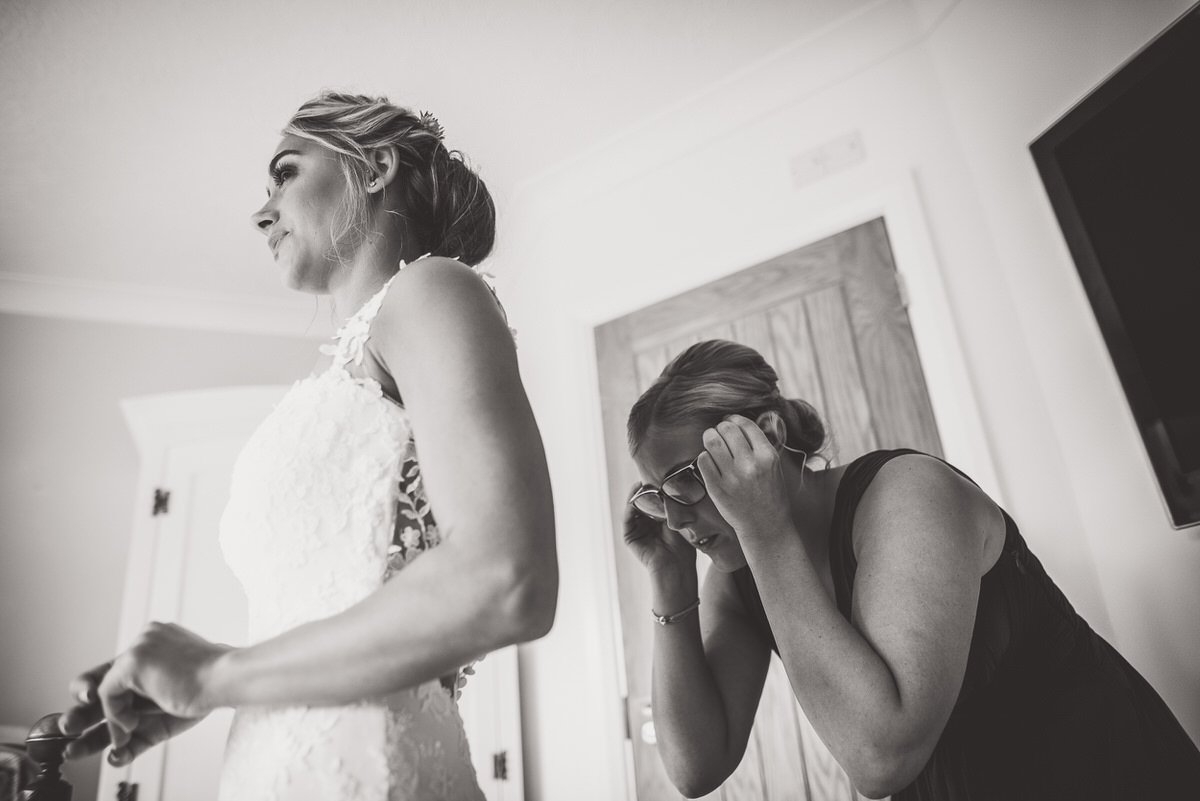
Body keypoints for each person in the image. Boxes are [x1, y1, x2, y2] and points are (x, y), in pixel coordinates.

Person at [57, 91, 558, 800]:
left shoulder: (432, 290)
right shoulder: (345, 369)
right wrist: (220, 679)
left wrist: (215, 674)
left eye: (285, 172)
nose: (262, 211)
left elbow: (506, 580)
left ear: (376, 166)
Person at [623, 338, 1200, 800]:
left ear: (767, 436)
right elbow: (694, 768)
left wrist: (766, 530)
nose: (673, 518)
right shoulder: (741, 568)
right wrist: (667, 579)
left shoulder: (907, 493)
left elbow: (881, 758)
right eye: (655, 495)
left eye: (687, 479)